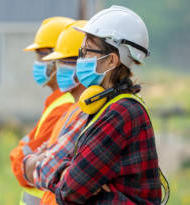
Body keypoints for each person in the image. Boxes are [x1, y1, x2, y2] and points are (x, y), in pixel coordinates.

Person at [34, 6, 163, 204]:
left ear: (111, 60)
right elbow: (75, 182)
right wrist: (74, 174)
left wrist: (69, 174)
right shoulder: (106, 106)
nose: (81, 60)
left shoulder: (120, 113)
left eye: (86, 52)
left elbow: (69, 191)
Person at [9, 16, 76, 205]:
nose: (37, 63)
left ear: (56, 59)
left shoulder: (64, 107)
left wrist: (23, 157)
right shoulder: (55, 103)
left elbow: (21, 168)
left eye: (40, 55)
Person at [22, 20, 88, 205]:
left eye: (63, 61)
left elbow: (40, 168)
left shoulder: (75, 109)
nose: (56, 67)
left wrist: (39, 159)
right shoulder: (70, 107)